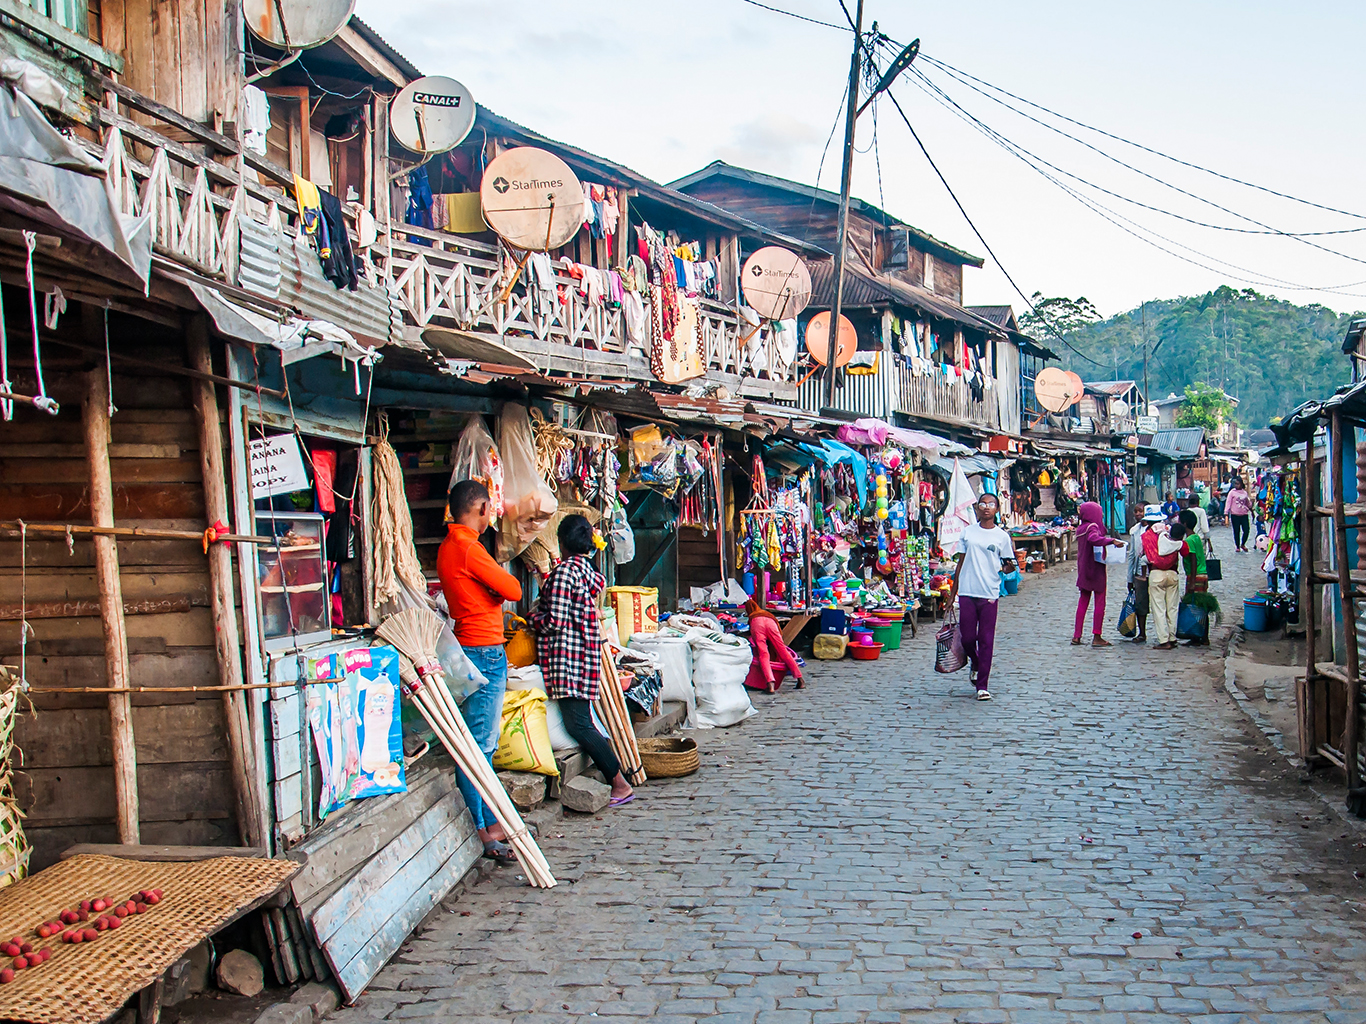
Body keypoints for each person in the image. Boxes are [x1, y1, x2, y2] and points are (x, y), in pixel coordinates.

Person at [437, 480, 524, 865]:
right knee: (479, 747)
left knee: (476, 744)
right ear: (481, 508)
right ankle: (485, 829)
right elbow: (513, 588)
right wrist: (496, 594)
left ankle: (490, 821)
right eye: (490, 509)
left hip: (465, 646)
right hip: (484, 651)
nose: (492, 515)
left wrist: (493, 594)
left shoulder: (447, 546)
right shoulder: (469, 547)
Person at [529, 515, 634, 806]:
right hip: (583, 656)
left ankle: (619, 782)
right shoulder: (586, 571)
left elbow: (555, 621)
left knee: (579, 725)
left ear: (562, 543)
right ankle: (617, 778)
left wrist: (532, 617)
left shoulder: (563, 575)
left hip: (567, 659)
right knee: (583, 722)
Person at [949, 493, 1018, 701]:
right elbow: (960, 563)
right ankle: (976, 662)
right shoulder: (968, 533)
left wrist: (1007, 566)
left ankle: (982, 685)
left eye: (991, 504)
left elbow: (1009, 566)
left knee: (986, 639)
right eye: (983, 504)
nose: (986, 507)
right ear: (977, 508)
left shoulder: (1002, 537)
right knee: (968, 638)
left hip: (989, 592)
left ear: (997, 509)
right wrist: (952, 594)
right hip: (968, 591)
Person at [1073, 501, 1122, 647]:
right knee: (1100, 602)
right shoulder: (1092, 527)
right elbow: (1093, 539)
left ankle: (1077, 635)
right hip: (1095, 569)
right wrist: (1111, 541)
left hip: (1083, 569)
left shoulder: (1081, 528)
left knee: (1083, 602)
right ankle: (1097, 635)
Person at [745, 598, 803, 693]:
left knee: (763, 654)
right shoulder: (766, 614)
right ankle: (800, 680)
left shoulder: (753, 617)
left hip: (757, 625)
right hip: (771, 624)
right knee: (783, 651)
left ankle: (770, 685)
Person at [1144, 519, 1186, 650]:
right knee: (1172, 608)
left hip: (1156, 574)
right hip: (1172, 574)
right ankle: (1172, 638)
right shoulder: (1176, 542)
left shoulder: (1151, 538)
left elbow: (1144, 557)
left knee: (1159, 609)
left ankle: (1163, 640)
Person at [1126, 504, 1165, 643]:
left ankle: (1164, 634)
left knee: (1160, 604)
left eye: (1141, 511)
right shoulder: (1135, 531)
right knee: (1141, 604)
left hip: (1157, 570)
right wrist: (1129, 578)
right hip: (1139, 573)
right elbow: (1132, 555)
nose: (1138, 514)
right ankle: (1142, 633)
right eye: (1136, 511)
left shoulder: (1162, 530)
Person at [1226, 477, 1252, 552]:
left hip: (1244, 514)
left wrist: (1251, 508)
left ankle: (1243, 543)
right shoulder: (1232, 492)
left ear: (1241, 484)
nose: (1236, 485)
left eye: (1238, 484)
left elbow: (1247, 502)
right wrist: (1226, 513)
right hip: (1235, 514)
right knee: (1236, 531)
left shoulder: (1244, 492)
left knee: (1246, 530)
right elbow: (1228, 503)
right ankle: (1237, 546)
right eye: (1235, 484)